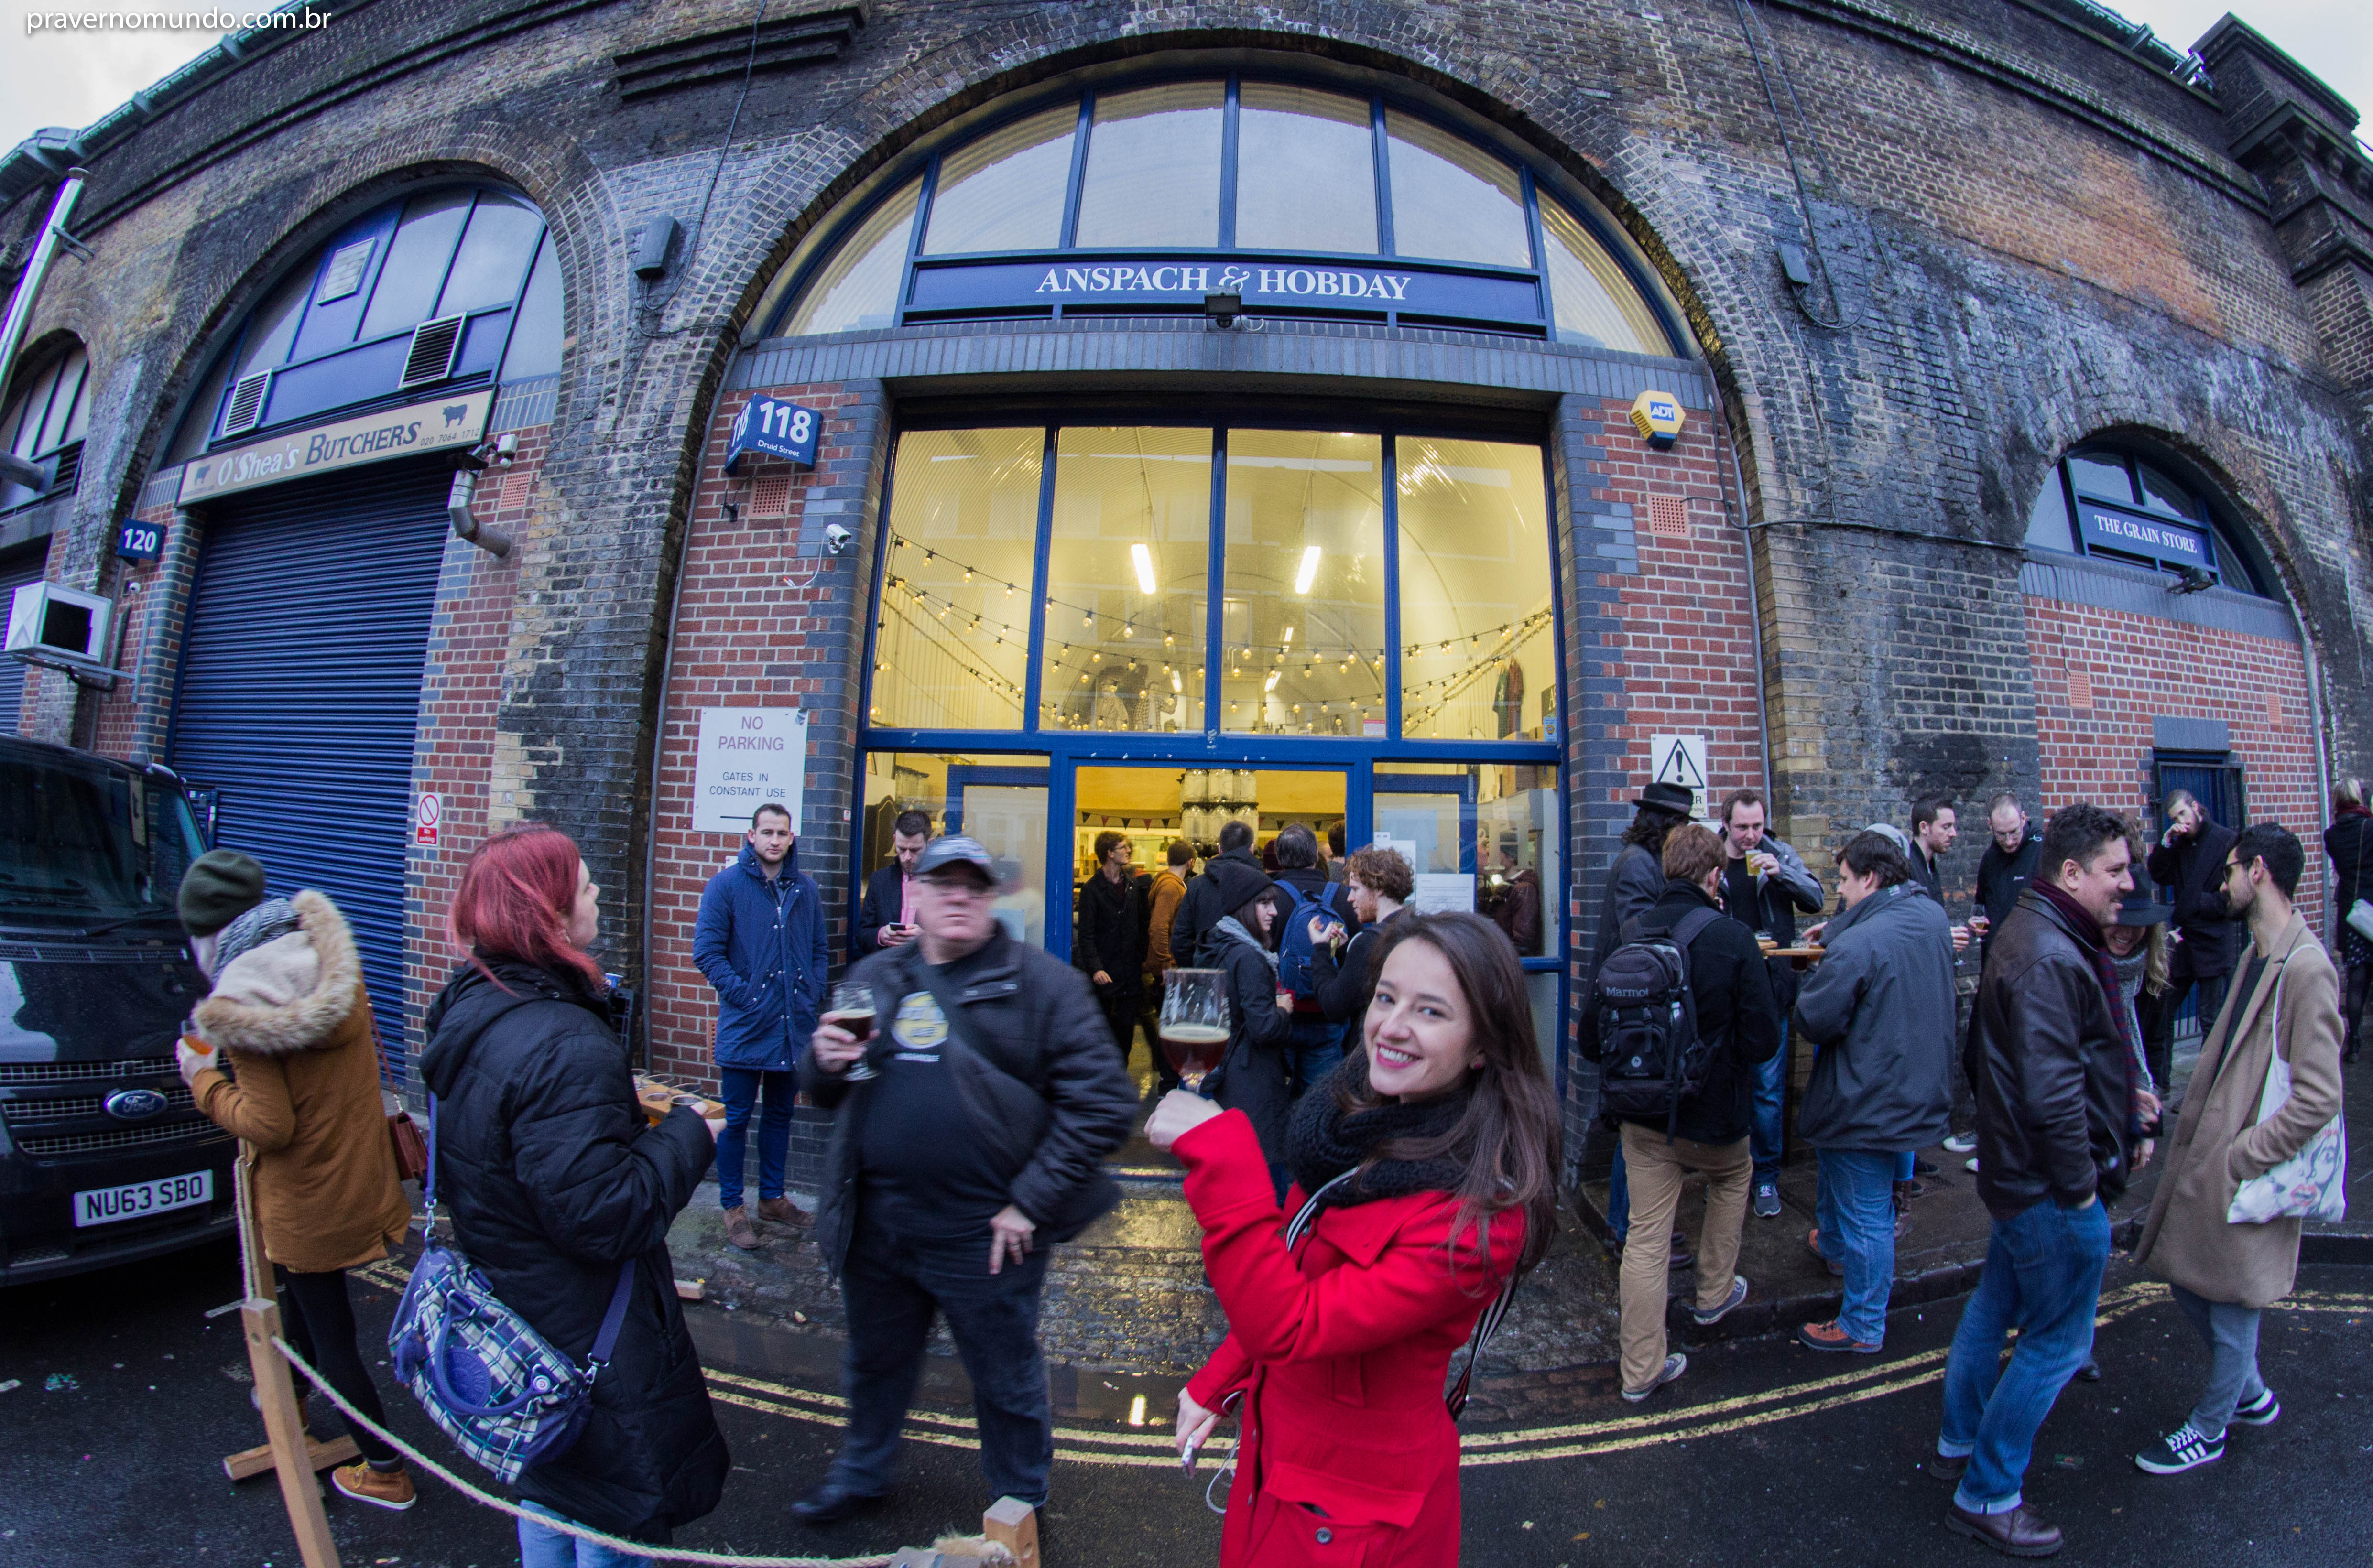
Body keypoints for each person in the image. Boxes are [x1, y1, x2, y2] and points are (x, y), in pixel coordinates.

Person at [1146, 911, 1561, 1568]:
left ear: (1482, 1045)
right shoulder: (1349, 1122)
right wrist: (1220, 1381)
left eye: (1430, 1012)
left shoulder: (1479, 1218)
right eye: (1387, 998)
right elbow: (1292, 1266)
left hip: (1355, 1522)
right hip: (1275, 1468)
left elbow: (1293, 1322)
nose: (1391, 1027)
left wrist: (1227, 1157)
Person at [795, 836, 1137, 1525]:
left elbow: (1105, 1103)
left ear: (990, 899)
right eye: (940, 883)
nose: (956, 896)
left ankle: (1020, 1505)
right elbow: (824, 1091)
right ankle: (862, 1474)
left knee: (1004, 1375)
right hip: (881, 1220)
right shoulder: (875, 976)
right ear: (912, 895)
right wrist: (822, 1062)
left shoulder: (1043, 985)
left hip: (987, 1229)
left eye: (972, 886)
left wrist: (1029, 1203)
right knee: (874, 1360)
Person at [420, 824, 728, 1558]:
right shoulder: (564, 1040)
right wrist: (691, 1136)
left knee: (553, 1489)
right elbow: (608, 1216)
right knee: (613, 1508)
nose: (595, 893)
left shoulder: (473, 1010)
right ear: (549, 912)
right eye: (584, 886)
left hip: (520, 1315)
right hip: (588, 1330)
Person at [174, 851, 416, 1512]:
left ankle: (386, 1467)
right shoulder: (333, 966)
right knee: (313, 1314)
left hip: (305, 1200)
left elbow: (269, 1124)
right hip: (357, 1179)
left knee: (332, 1335)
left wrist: (201, 1078)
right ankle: (289, 1405)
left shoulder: (248, 1012)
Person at [1931, 803, 2142, 1557]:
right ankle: (1988, 1490)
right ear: (2074, 872)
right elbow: (2053, 1094)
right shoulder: (2052, 952)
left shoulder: (2031, 927)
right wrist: (2084, 1192)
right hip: (2048, 1186)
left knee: (1995, 1305)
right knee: (2058, 1338)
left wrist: (2124, 1098)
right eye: (2115, 871)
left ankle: (1961, 1438)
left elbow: (2045, 1064)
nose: (2126, 886)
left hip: (2015, 1169)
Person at [2132, 822, 2343, 1476]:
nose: (2219, 884)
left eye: (2227, 872)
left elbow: (2320, 1094)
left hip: (2251, 1171)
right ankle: (2251, 1394)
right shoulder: (2259, 954)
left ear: (2259, 872)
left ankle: (2210, 1427)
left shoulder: (2307, 968)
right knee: (2195, 1286)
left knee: (2234, 1307)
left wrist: (2247, 1152)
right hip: (2219, 1165)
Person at [1578, 823, 1780, 1401]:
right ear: (1715, 876)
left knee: (1646, 1236)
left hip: (1642, 1121)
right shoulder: (1733, 937)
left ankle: (1640, 1371)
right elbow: (1763, 1040)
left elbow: (1593, 1039)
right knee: (1733, 1177)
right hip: (1715, 1118)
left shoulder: (1631, 934)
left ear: (1666, 870)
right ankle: (1714, 1294)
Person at [1790, 831, 1956, 1353]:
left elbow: (1813, 1019)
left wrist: (1814, 967)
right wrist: (1835, 929)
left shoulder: (1857, 945)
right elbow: (1877, 931)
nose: (1839, 890)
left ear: (1870, 877)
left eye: (1843, 880)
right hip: (1911, 1084)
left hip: (1865, 1095)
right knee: (1860, 1198)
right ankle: (1833, 1244)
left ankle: (1862, 1322)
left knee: (1867, 1213)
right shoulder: (1927, 915)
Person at [692, 802, 826, 1251]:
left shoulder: (805, 890)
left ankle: (772, 1197)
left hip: (793, 1025)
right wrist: (745, 994)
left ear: (792, 838)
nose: (774, 839)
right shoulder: (725, 886)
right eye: (766, 831)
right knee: (735, 1120)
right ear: (751, 836)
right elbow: (706, 953)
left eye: (781, 832)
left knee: (780, 1116)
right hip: (747, 1026)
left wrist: (812, 990)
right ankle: (734, 1208)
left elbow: (820, 950)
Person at [1593, 779, 1697, 1253]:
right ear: (1665, 825)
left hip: (1639, 1010)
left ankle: (1630, 1221)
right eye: (1680, 825)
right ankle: (1624, 1225)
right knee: (1636, 1125)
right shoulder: (1638, 865)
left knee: (1640, 1123)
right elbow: (1637, 932)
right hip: (1632, 1013)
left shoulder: (1644, 861)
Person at [1716, 788, 1825, 1218]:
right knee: (1725, 1087)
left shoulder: (1778, 853)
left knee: (1767, 1090)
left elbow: (1814, 899)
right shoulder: (1713, 857)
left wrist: (1782, 873)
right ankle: (1727, 1176)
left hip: (1772, 991)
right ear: (1725, 823)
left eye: (1757, 826)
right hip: (1725, 992)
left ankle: (1765, 1178)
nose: (1750, 836)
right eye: (1742, 827)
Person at [1950, 794, 2046, 1158]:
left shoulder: (2042, 851)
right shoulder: (1991, 859)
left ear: (2025, 817)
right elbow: (1981, 904)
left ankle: (2014, 1146)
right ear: (1990, 828)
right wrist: (1976, 922)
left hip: (2031, 974)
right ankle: (1991, 1131)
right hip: (1994, 971)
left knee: (2023, 1062)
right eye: (2002, 834)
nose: (2009, 841)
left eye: (2014, 831)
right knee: (1976, 1056)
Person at [1198, 857, 1298, 1179]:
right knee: (1265, 1177)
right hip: (1252, 1080)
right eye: (1264, 903)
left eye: (1273, 904)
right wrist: (1283, 1009)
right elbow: (1264, 1027)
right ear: (1244, 908)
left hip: (1228, 1076)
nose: (1274, 912)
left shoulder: (1222, 945)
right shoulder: (1250, 958)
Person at [2147, 789, 2242, 1052]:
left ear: (2196, 807)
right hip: (2186, 941)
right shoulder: (2178, 845)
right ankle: (2161, 1083)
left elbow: (2235, 895)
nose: (2181, 822)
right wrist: (2165, 843)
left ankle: (2213, 1085)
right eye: (2174, 818)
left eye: (2183, 813)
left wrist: (2200, 903)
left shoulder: (2226, 840)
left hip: (2213, 940)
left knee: (2210, 1019)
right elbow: (2159, 874)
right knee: (2164, 1010)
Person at [1270, 823, 1358, 1096]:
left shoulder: (1268, 896)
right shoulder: (1343, 896)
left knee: (1275, 1100)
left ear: (1281, 858)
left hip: (1281, 1013)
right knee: (1319, 1102)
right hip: (1327, 1015)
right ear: (1315, 856)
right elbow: (1352, 956)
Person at [1307, 844, 1415, 1045]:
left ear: (1380, 888)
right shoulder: (1416, 929)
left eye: (1356, 889)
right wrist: (1344, 950)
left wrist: (1321, 949)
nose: (1350, 898)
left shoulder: (1370, 942)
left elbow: (1334, 1006)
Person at [1074, 830, 1149, 1067]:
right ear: (1109, 853)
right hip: (1104, 972)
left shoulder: (1132, 886)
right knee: (1102, 1033)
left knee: (1127, 1032)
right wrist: (1095, 968)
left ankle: (1120, 1078)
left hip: (1130, 972)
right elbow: (1086, 934)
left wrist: (1143, 958)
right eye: (1123, 847)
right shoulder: (1092, 890)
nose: (1128, 851)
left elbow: (1142, 924)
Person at [1172, 819, 1260, 966]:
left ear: (1220, 850)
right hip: (1249, 972)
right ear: (1251, 849)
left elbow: (1180, 939)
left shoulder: (1197, 885)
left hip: (1207, 973)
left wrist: (1197, 970)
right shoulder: (1261, 884)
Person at [2325, 779, 2370, 1064]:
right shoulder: (2371, 828)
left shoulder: (2331, 836)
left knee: (2356, 980)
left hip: (2353, 914)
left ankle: (2353, 1043)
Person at [1144, 839, 1196, 1088]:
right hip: (1169, 969)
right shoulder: (1171, 888)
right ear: (1191, 862)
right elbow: (1158, 927)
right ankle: (1167, 1082)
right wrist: (1166, 963)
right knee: (1171, 1028)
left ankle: (1168, 1078)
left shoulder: (1168, 883)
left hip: (1168, 967)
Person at [854, 809, 931, 959]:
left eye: (915, 850)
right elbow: (863, 935)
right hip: (888, 971)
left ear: (930, 843)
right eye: (902, 849)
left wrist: (925, 939)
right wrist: (881, 935)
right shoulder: (879, 881)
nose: (907, 857)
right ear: (895, 839)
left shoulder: (940, 882)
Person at [1487, 833, 1543, 956]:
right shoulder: (1508, 887)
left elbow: (1523, 943)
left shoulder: (1524, 889)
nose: (1489, 860)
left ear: (1512, 858)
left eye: (1494, 855)